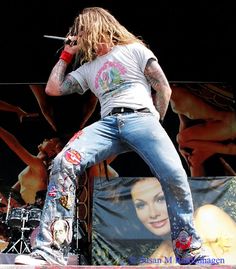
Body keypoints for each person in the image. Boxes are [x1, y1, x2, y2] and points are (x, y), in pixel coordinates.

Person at [15, 7, 206, 265]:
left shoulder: (135, 50)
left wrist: (155, 122)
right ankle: (50, 251)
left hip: (141, 118)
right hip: (107, 126)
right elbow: (53, 88)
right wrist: (67, 54)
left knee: (174, 175)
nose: (78, 37)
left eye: (80, 32)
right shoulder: (89, 67)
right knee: (63, 161)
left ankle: (190, 251)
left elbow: (163, 88)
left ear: (95, 27)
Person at [130, 177, 236, 265]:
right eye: (141, 205)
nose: (153, 214)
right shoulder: (154, 261)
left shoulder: (206, 218)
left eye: (161, 199)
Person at [170, 84, 236, 177]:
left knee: (191, 155)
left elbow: (183, 118)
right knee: (186, 145)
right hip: (228, 126)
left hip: (222, 126)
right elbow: (230, 149)